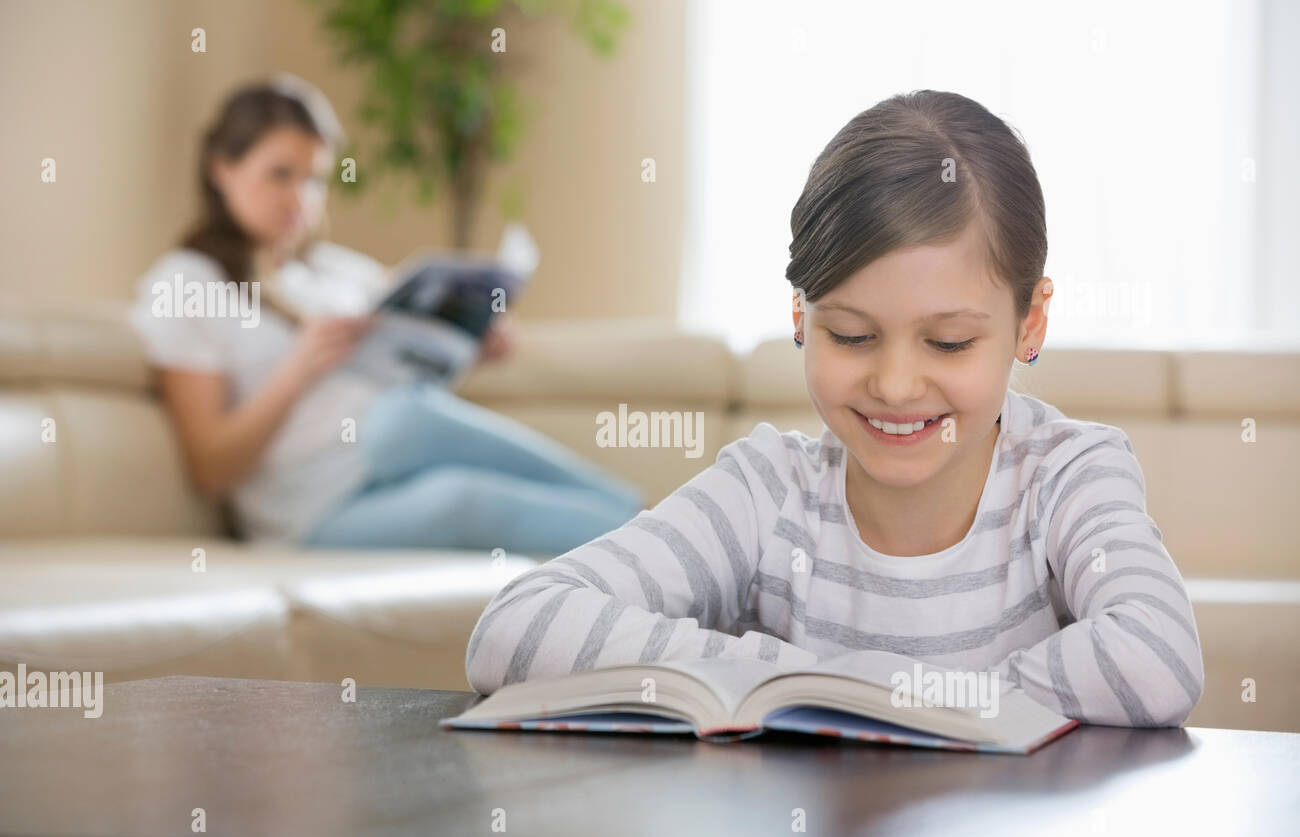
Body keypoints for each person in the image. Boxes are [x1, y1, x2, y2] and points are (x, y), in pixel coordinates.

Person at [464, 90, 1205, 728]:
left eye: (948, 343)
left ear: (1030, 323)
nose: (894, 384)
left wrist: (868, 693)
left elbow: (1159, 655)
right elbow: (515, 629)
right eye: (852, 335)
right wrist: (782, 680)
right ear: (800, 315)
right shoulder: (767, 490)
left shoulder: (1068, 474)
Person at [130, 75, 643, 553]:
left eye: (314, 181)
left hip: (388, 458)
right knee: (449, 483)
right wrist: (299, 369)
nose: (299, 200)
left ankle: (650, 529)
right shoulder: (184, 284)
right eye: (280, 174)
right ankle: (652, 529)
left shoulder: (332, 271)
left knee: (415, 429)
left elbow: (407, 362)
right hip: (310, 509)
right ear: (222, 167)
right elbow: (211, 469)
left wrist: (466, 344)